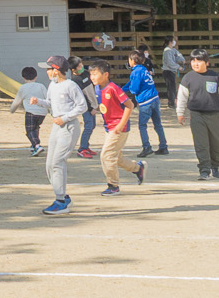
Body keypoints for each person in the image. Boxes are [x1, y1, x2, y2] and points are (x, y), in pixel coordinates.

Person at [175, 48, 219, 181]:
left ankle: (215, 166)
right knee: (201, 144)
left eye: (199, 60)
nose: (195, 63)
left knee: (217, 142)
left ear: (207, 62)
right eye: (193, 61)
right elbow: (182, 97)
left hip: (214, 115)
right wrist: (180, 113)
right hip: (196, 115)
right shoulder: (188, 78)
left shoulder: (216, 77)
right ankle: (204, 170)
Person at [42, 55, 87, 215]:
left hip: (69, 127)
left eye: (49, 68)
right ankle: (63, 197)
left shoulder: (71, 85)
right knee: (49, 165)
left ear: (56, 70)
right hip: (57, 126)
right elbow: (50, 103)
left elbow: (82, 106)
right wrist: (38, 102)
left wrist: (65, 117)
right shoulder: (52, 86)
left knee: (57, 162)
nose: (47, 71)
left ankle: (60, 201)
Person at [93, 61, 144, 195]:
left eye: (95, 74)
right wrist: (96, 110)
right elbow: (106, 105)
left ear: (106, 75)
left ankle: (113, 185)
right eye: (91, 74)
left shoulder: (113, 88)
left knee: (106, 156)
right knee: (116, 157)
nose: (92, 77)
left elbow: (130, 105)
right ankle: (138, 168)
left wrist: (120, 125)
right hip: (109, 127)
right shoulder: (97, 88)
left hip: (118, 127)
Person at [127, 52, 166, 155]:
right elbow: (131, 83)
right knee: (157, 124)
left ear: (132, 61)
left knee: (142, 125)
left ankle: (146, 146)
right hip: (154, 98)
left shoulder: (135, 72)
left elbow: (134, 88)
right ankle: (163, 146)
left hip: (145, 101)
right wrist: (122, 89)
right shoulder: (143, 69)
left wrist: (127, 90)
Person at [9, 66, 50, 155]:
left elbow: (17, 101)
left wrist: (12, 110)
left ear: (23, 77)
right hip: (42, 113)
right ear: (35, 76)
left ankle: (37, 146)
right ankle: (33, 145)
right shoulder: (41, 86)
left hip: (31, 112)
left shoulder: (23, 88)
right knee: (35, 128)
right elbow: (47, 98)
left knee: (30, 131)